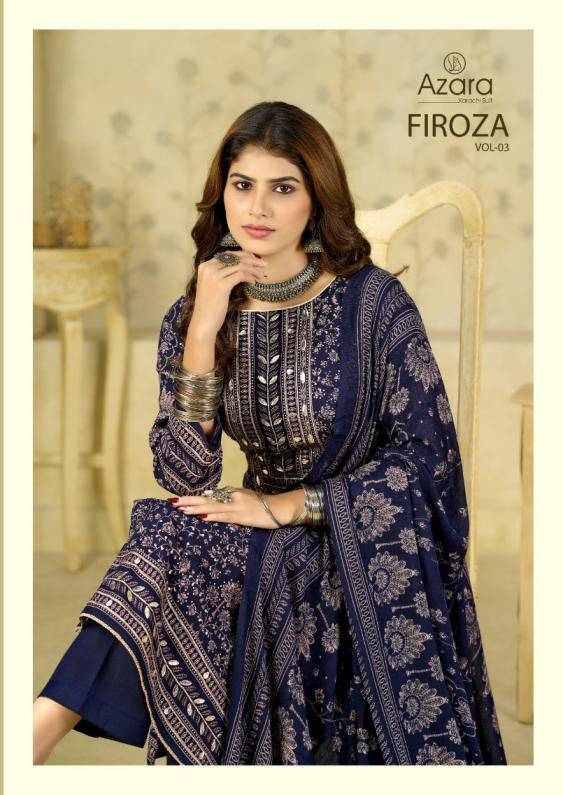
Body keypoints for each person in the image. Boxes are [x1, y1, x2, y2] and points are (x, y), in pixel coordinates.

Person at [33, 100, 507, 766]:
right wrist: (203, 331)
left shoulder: (374, 304)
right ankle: (32, 736)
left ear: (315, 200)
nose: (257, 208)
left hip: (358, 546)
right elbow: (185, 475)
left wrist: (292, 505)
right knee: (170, 525)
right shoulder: (200, 310)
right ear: (221, 193)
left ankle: (32, 735)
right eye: (242, 185)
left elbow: (428, 464)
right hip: (252, 527)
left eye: (282, 188)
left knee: (169, 541)